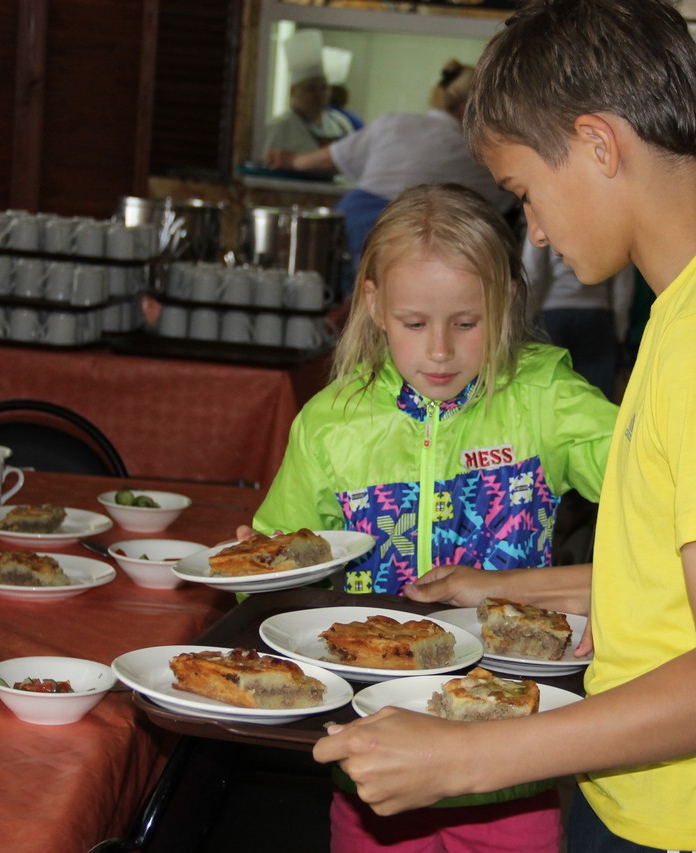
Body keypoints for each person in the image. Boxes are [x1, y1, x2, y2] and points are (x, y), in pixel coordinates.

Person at [314, 2, 696, 851]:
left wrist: (467, 756)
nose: (534, 228)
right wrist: (502, 589)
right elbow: (675, 582)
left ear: (599, 144)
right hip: (674, 801)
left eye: (527, 192)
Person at [249, 182, 619, 851]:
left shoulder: (545, 398)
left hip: (511, 762)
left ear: (504, 303)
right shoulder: (331, 424)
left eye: (467, 323)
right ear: (374, 306)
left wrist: (608, 592)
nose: (440, 351)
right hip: (376, 755)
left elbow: (661, 494)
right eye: (415, 324)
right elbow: (278, 574)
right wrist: (260, 564)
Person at [265, 61, 515, 295]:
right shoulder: (476, 154)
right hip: (402, 234)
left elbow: (330, 156)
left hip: (352, 219)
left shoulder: (394, 123)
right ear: (468, 109)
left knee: (341, 304)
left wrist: (291, 160)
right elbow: (505, 200)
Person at [523, 235, 634, 402]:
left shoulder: (544, 221)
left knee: (550, 394)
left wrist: (526, 320)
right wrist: (620, 331)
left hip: (552, 314)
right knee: (597, 397)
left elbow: (532, 272)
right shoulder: (609, 221)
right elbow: (622, 282)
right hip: (597, 315)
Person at [261, 30, 354, 157]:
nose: (319, 94)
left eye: (324, 88)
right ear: (293, 92)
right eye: (311, 88)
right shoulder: (277, 129)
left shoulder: (341, 125)